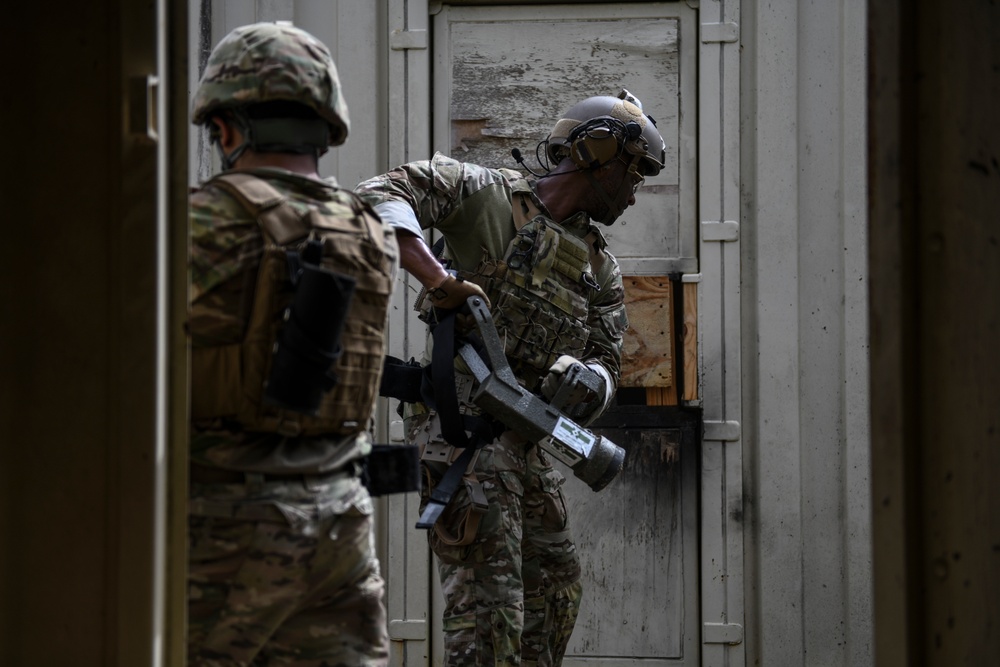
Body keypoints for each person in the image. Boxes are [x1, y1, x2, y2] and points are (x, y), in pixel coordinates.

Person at [356, 90, 666, 666]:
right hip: (464, 436)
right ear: (595, 153)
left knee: (557, 594)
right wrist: (437, 278)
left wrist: (587, 381)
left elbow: (607, 356)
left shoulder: (599, 265)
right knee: (490, 619)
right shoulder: (487, 197)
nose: (634, 191)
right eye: (631, 173)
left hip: (527, 442)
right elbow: (379, 195)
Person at [186, 22, 398, 666]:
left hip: (223, 529)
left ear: (227, 127)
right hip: (339, 527)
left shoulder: (197, 222)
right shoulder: (369, 232)